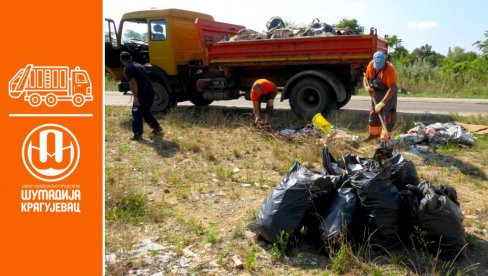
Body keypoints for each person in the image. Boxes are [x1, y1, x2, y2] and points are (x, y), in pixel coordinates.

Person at [120, 51, 162, 140]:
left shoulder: (127, 68)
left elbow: (132, 82)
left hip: (142, 93)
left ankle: (137, 134)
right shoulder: (139, 65)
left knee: (136, 113)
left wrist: (135, 98)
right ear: (130, 57)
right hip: (150, 91)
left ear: (122, 60)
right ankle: (157, 128)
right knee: (145, 111)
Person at [363, 51, 398, 141]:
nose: (378, 66)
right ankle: (373, 135)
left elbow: (391, 88)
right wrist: (367, 87)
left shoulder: (390, 69)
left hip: (388, 92)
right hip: (376, 91)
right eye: (376, 63)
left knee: (388, 116)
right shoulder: (372, 64)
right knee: (373, 113)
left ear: (385, 61)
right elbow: (365, 78)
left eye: (380, 64)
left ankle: (385, 139)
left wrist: (382, 103)